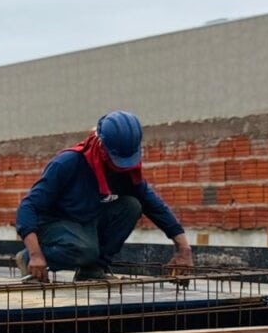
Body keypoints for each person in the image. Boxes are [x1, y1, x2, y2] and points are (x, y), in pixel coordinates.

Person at [14, 110, 193, 282]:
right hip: (54, 225)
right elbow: (28, 206)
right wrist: (36, 254)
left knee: (131, 206)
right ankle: (26, 258)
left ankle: (93, 269)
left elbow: (154, 205)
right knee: (86, 249)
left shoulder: (126, 171)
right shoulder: (68, 163)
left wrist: (183, 248)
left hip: (86, 222)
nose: (121, 165)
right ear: (102, 145)